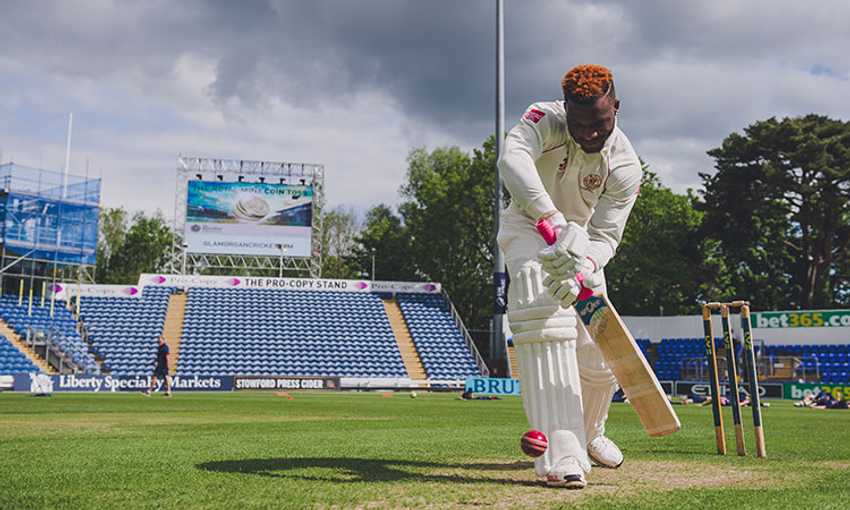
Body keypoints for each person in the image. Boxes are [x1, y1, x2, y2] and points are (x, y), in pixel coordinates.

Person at [497, 64, 641, 489]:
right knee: (542, 311)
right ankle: (563, 449)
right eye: (579, 124)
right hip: (529, 226)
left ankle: (591, 433)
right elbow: (512, 159)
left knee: (599, 350)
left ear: (616, 107)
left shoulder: (625, 165)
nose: (589, 133)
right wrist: (552, 221)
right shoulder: (545, 118)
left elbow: (607, 236)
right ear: (565, 110)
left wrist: (584, 263)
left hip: (583, 245)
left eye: (599, 122)